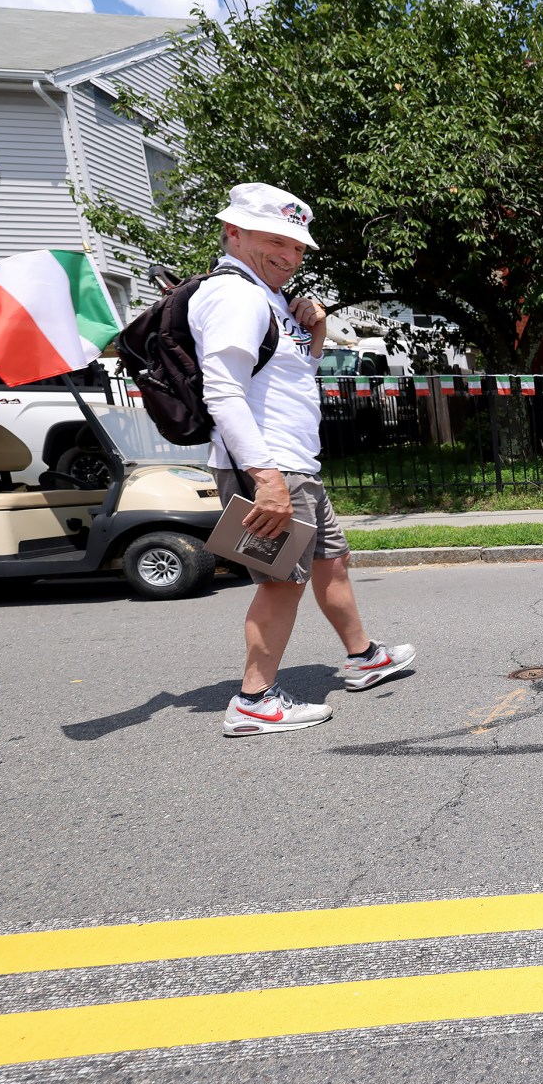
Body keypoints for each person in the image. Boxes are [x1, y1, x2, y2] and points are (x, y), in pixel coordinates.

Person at [192, 182, 415, 736]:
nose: (289, 256)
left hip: (296, 466)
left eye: (296, 246)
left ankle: (363, 657)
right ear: (234, 233)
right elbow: (223, 392)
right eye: (276, 241)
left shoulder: (267, 297)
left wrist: (314, 330)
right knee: (279, 583)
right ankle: (254, 701)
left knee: (331, 561)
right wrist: (265, 479)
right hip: (269, 469)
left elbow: (292, 378)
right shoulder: (234, 296)